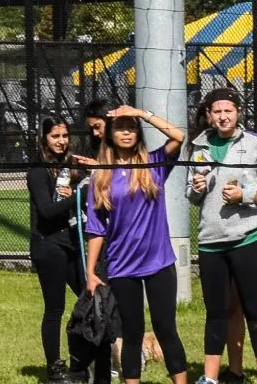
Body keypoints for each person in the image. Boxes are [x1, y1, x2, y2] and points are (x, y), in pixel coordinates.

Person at [83, 104, 190, 384]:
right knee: (131, 333)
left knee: (166, 329)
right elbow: (96, 228)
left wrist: (143, 114)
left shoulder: (153, 164)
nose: (127, 132)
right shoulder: (101, 175)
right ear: (110, 134)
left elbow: (178, 136)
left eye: (132, 127)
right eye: (121, 127)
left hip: (159, 262)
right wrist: (91, 271)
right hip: (122, 266)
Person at [182, 88, 257, 384]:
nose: (223, 116)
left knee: (255, 310)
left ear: (238, 112)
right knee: (216, 313)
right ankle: (210, 378)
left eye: (228, 110)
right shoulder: (198, 146)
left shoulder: (254, 145)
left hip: (247, 237)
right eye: (217, 111)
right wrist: (197, 188)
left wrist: (245, 195)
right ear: (209, 116)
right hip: (211, 242)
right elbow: (191, 195)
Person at [27, 118, 110, 384]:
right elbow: (46, 211)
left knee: (91, 298)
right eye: (55, 136)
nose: (61, 141)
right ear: (44, 139)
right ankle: (55, 367)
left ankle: (87, 361)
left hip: (72, 243)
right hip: (48, 245)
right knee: (55, 308)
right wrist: (79, 196)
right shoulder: (38, 171)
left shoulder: (70, 165)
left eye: (64, 135)